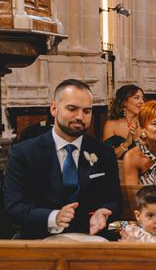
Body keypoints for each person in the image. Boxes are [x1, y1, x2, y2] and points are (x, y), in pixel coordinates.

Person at [4, 79, 121, 239]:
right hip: (38, 238)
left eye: (87, 111)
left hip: (91, 237)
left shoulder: (104, 152)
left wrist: (103, 212)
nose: (80, 116)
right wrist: (54, 217)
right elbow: (14, 208)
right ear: (54, 108)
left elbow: (114, 200)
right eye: (72, 109)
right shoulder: (24, 153)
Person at [102, 84, 144, 159]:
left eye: (142, 98)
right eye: (136, 98)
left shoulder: (147, 123)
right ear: (124, 102)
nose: (141, 102)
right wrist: (126, 143)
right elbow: (106, 156)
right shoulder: (111, 125)